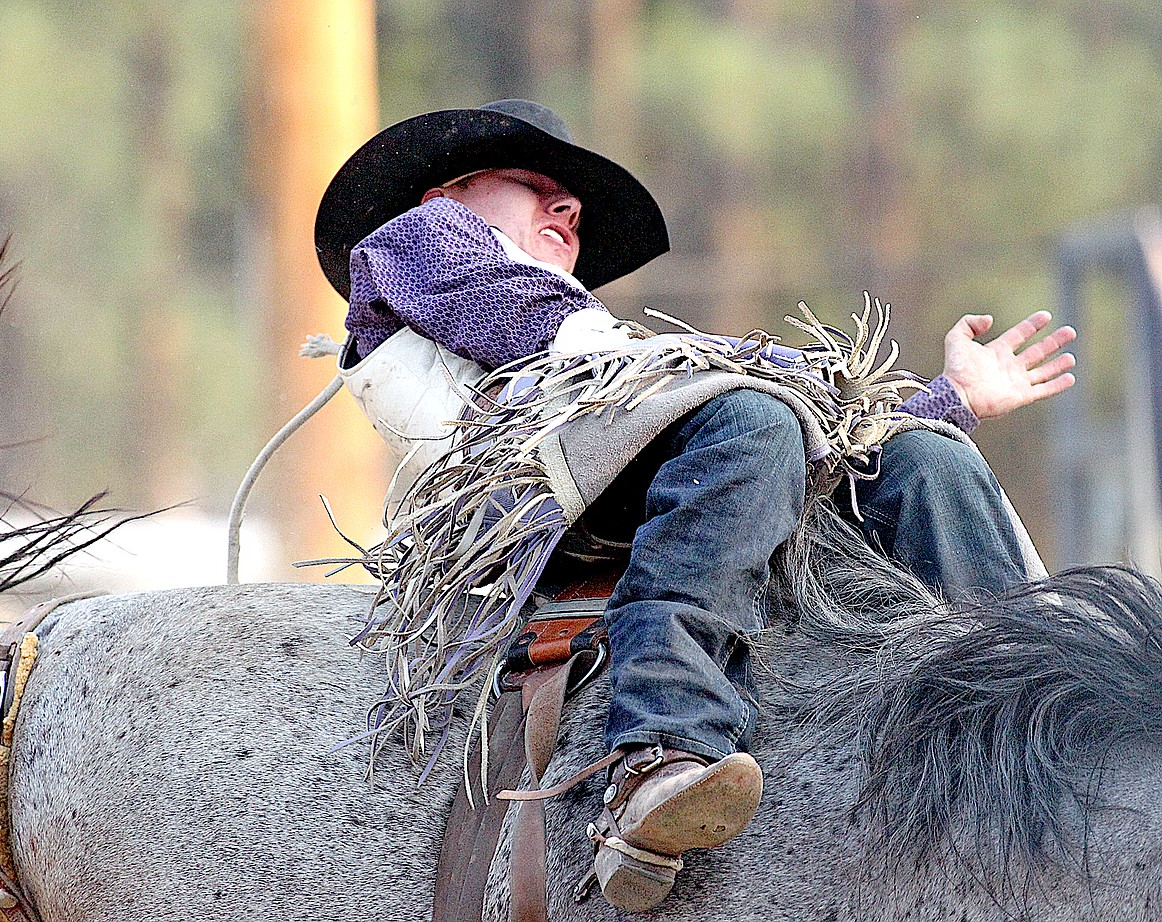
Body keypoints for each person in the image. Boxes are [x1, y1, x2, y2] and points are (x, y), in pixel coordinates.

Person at [314, 99, 1077, 910]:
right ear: (448, 197)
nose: (567, 210)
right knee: (753, 419)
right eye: (534, 185)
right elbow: (605, 358)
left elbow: (753, 414)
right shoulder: (419, 245)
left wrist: (945, 402)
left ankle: (1044, 726)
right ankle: (657, 751)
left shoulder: (598, 348)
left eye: (566, 202)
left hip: (634, 473)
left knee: (923, 459)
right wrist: (771, 382)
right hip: (532, 511)